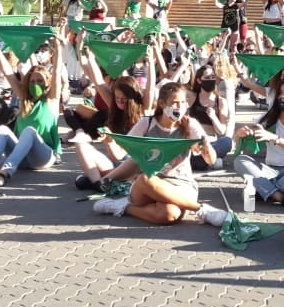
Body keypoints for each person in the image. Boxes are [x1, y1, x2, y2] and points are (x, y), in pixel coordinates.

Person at [91, 82, 230, 226]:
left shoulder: (190, 125)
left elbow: (210, 160)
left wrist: (206, 146)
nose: (180, 107)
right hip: (146, 186)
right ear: (163, 104)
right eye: (175, 103)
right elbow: (122, 153)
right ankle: (202, 210)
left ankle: (122, 207)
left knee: (169, 215)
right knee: (146, 179)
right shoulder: (148, 123)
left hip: (180, 184)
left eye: (183, 102)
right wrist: (109, 140)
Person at [0, 36, 63, 186]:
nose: (35, 84)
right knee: (3, 129)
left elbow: (56, 73)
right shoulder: (25, 99)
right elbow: (7, 72)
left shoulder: (51, 100)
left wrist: (58, 49)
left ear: (47, 83)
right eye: (32, 81)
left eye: (40, 81)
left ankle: (5, 172)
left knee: (29, 131)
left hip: (43, 157)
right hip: (22, 157)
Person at [233, 77, 284, 204]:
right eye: (280, 93)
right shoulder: (268, 118)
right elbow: (238, 145)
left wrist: (275, 138)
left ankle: (264, 190)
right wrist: (239, 134)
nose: (282, 97)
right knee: (240, 161)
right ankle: (280, 197)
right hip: (269, 171)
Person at [188, 64, 231, 171]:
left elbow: (221, 131)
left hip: (211, 141)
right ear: (199, 80)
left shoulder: (221, 101)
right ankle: (209, 161)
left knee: (227, 142)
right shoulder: (192, 97)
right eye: (207, 78)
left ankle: (204, 160)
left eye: (213, 77)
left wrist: (213, 117)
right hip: (194, 140)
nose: (210, 80)